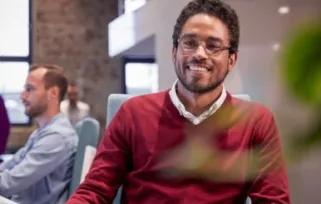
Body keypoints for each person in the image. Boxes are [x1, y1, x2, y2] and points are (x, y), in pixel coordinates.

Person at [66, 0, 290, 203]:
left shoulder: (255, 121)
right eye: (189, 43)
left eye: (213, 46)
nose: (199, 54)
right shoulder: (132, 113)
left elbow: (273, 201)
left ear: (232, 59)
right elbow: (95, 191)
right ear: (174, 51)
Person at [0, 64, 78, 204]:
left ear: (53, 93)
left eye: (29, 89)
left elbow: (8, 184)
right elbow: (10, 166)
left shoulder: (57, 137)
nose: (22, 95)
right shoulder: (42, 132)